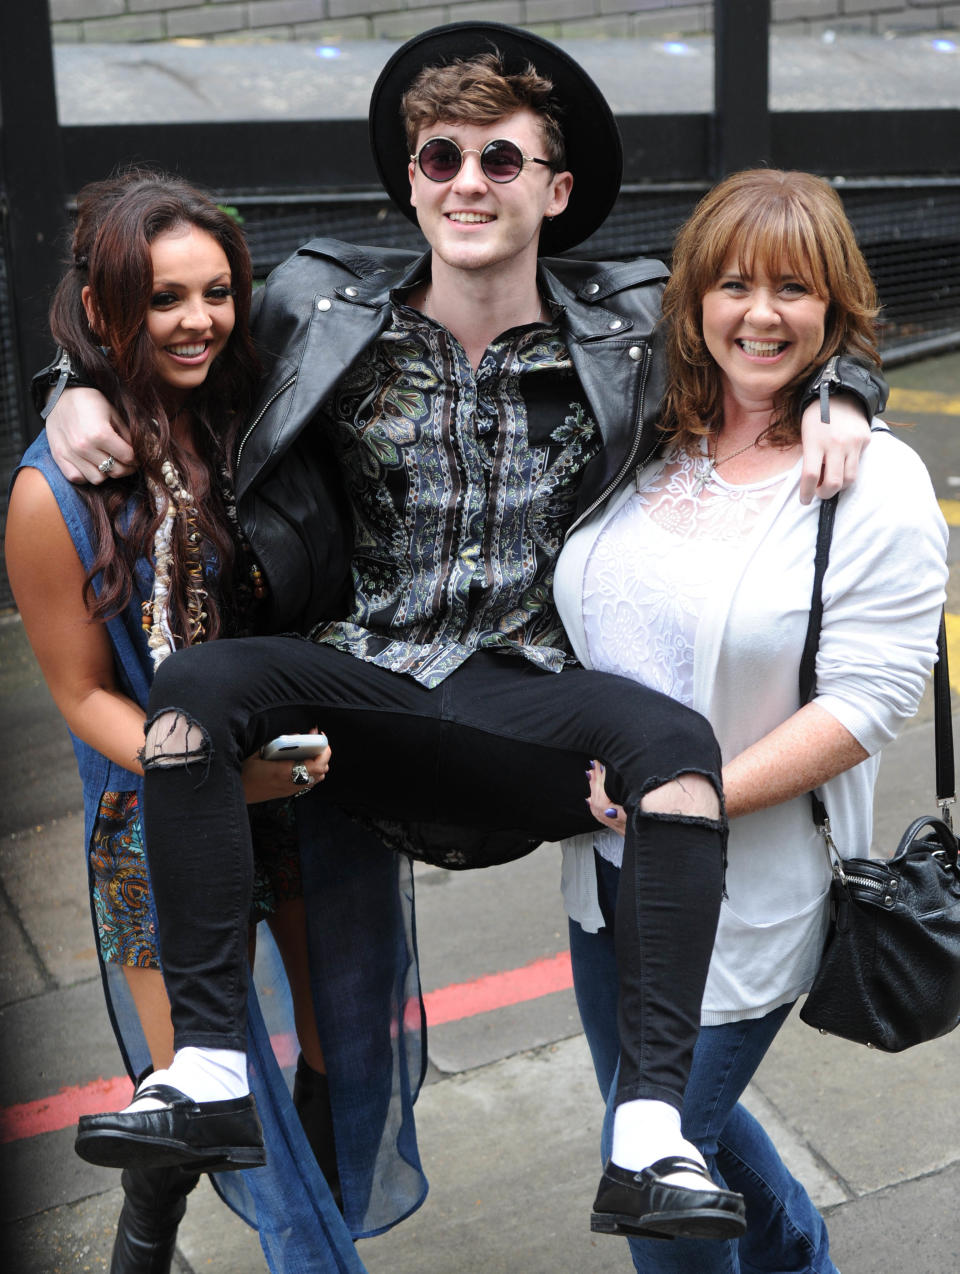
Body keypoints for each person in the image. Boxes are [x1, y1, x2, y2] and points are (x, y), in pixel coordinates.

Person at [38, 23, 887, 1241]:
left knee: (673, 739)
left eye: (501, 158)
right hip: (357, 684)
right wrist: (65, 390)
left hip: (521, 701)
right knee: (200, 681)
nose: (468, 183)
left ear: (556, 188)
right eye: (440, 158)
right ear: (412, 181)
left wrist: (848, 387)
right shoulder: (317, 308)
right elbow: (161, 346)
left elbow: (787, 312)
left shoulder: (632, 323)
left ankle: (650, 1136)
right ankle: (210, 1065)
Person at [6, 171, 425, 1274]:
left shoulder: (265, 412)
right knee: (217, 1085)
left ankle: (267, 1230)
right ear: (104, 311)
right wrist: (200, 770)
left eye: (217, 291)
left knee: (351, 1050)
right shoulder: (56, 490)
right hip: (159, 806)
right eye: (162, 299)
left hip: (310, 794)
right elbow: (81, 691)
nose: (198, 319)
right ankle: (202, 1237)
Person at [553, 168, 948, 1271]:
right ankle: (800, 1253)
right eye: (733, 283)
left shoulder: (874, 481)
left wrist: (690, 795)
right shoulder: (646, 431)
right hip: (605, 870)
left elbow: (871, 702)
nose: (761, 313)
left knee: (653, 1168)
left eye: (794, 288)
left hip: (747, 887)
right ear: (692, 298)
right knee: (699, 1127)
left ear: (837, 308)